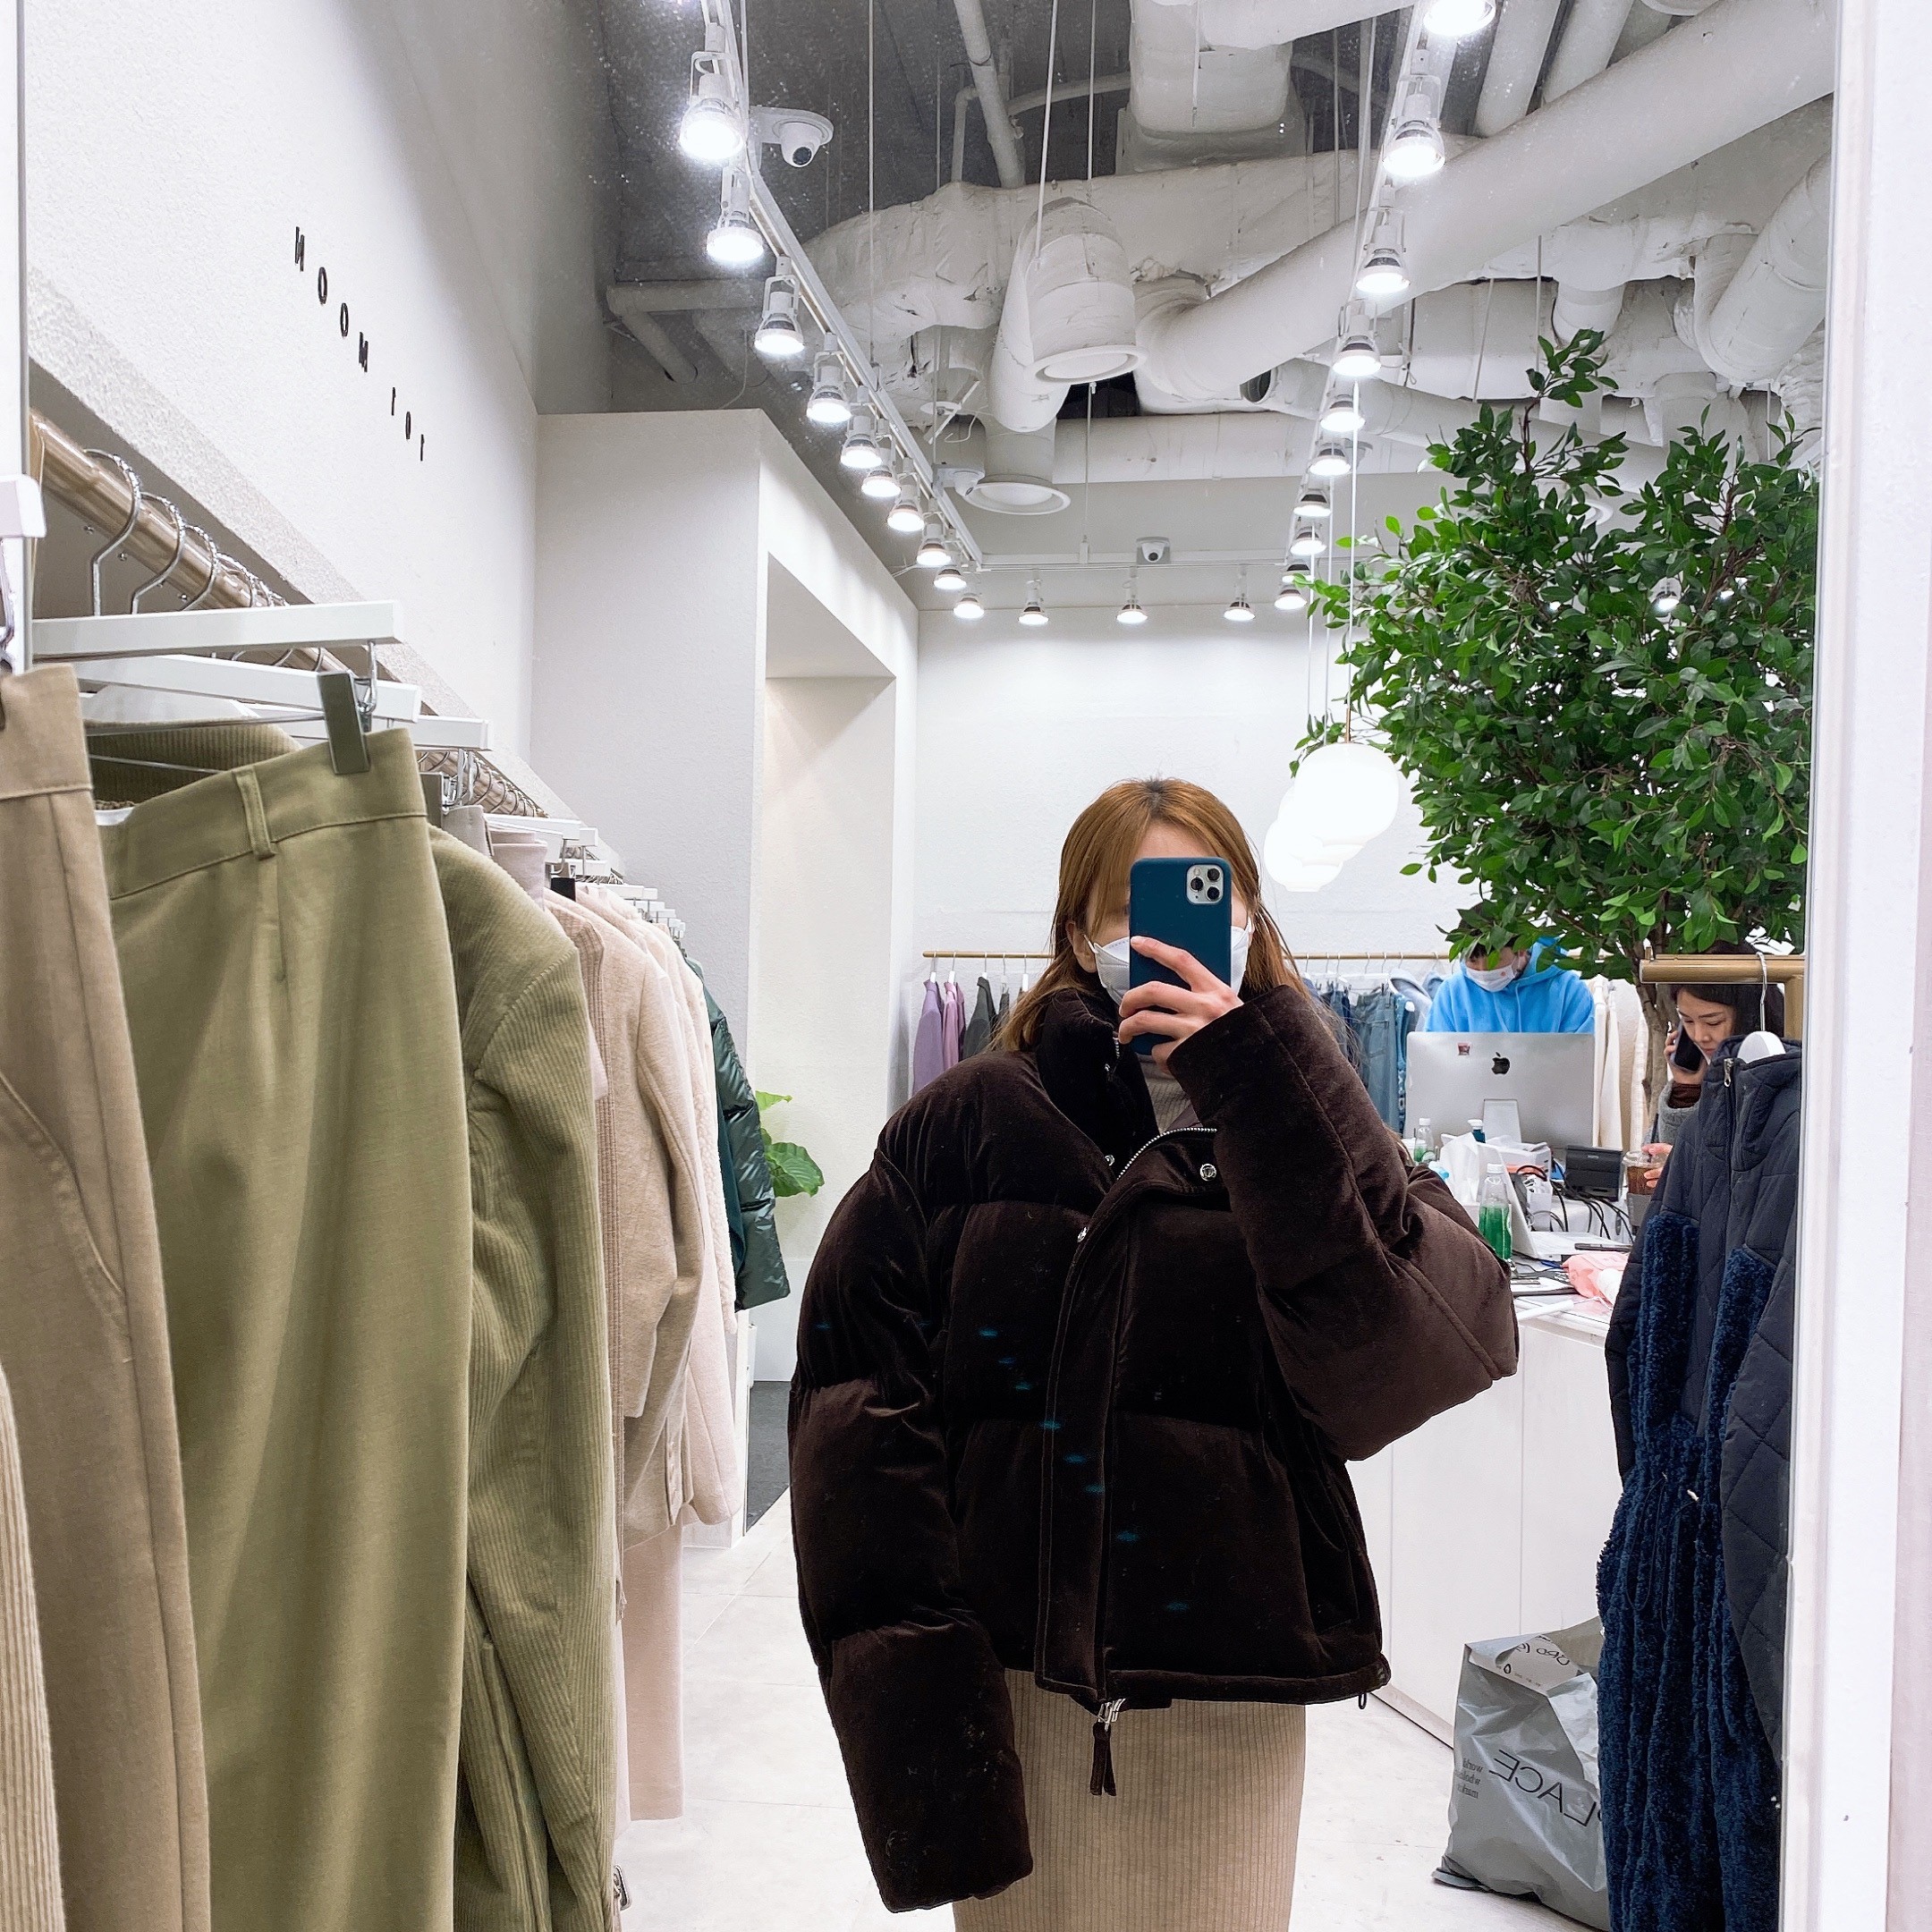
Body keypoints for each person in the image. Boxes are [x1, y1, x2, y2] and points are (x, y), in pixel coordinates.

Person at [788, 777, 1516, 1930]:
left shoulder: (1315, 1120)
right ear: (1080, 931)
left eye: (1202, 896)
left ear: (1250, 920)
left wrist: (1263, 1079)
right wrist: (924, 1714)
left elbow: (1395, 1370)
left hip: (1231, 1683)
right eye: (1133, 907)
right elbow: (858, 1421)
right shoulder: (967, 1123)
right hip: (1020, 1681)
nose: (1168, 931)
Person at [1649, 941, 1788, 1150]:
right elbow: (1660, 1152)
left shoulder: (1781, 1078)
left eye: (1713, 1022)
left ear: (1749, 1016)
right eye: (1687, 1020)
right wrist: (1685, 1091)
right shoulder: (1709, 1074)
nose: (1699, 1036)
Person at [1424, 936, 1596, 1034]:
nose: (1483, 970)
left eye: (1494, 960)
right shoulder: (1452, 993)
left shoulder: (1569, 990)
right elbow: (1436, 1059)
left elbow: (1580, 1060)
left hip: (1551, 1087)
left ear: (1521, 950)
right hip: (1466, 1089)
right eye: (1473, 961)